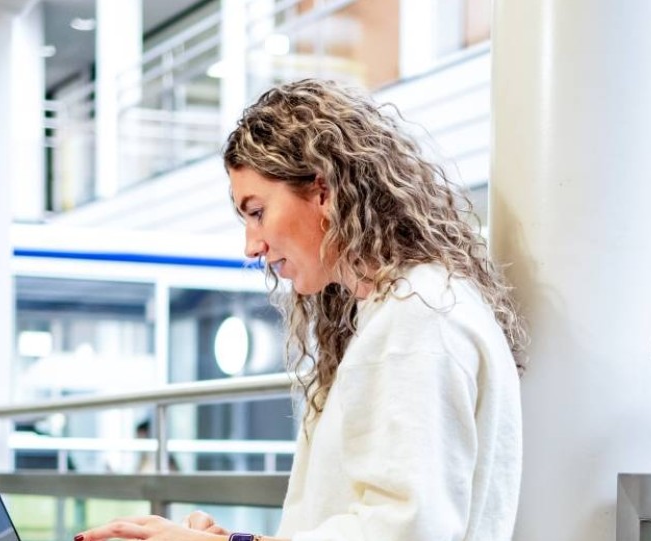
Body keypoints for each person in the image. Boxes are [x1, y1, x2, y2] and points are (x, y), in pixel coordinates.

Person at [76, 79, 527, 541]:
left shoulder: (416, 318)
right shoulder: (405, 309)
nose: (252, 246)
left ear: (323, 192)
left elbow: (406, 532)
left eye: (256, 212)